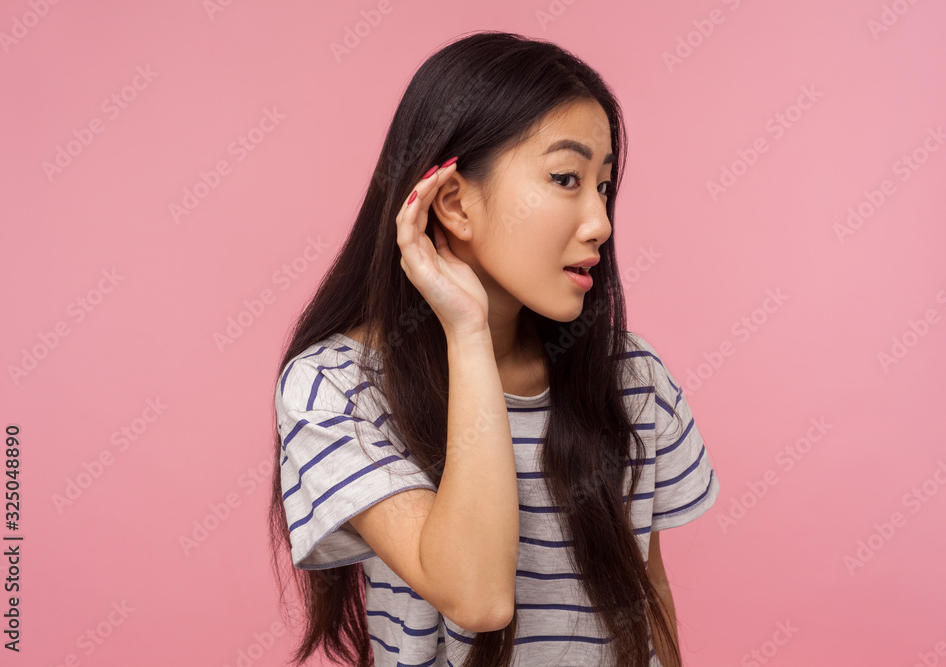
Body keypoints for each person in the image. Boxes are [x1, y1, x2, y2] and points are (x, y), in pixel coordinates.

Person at [268, 30, 720, 667]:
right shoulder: (335, 387)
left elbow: (647, 601)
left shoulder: (631, 377)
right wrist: (468, 333)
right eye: (566, 178)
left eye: (605, 186)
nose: (600, 223)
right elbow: (476, 597)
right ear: (454, 202)